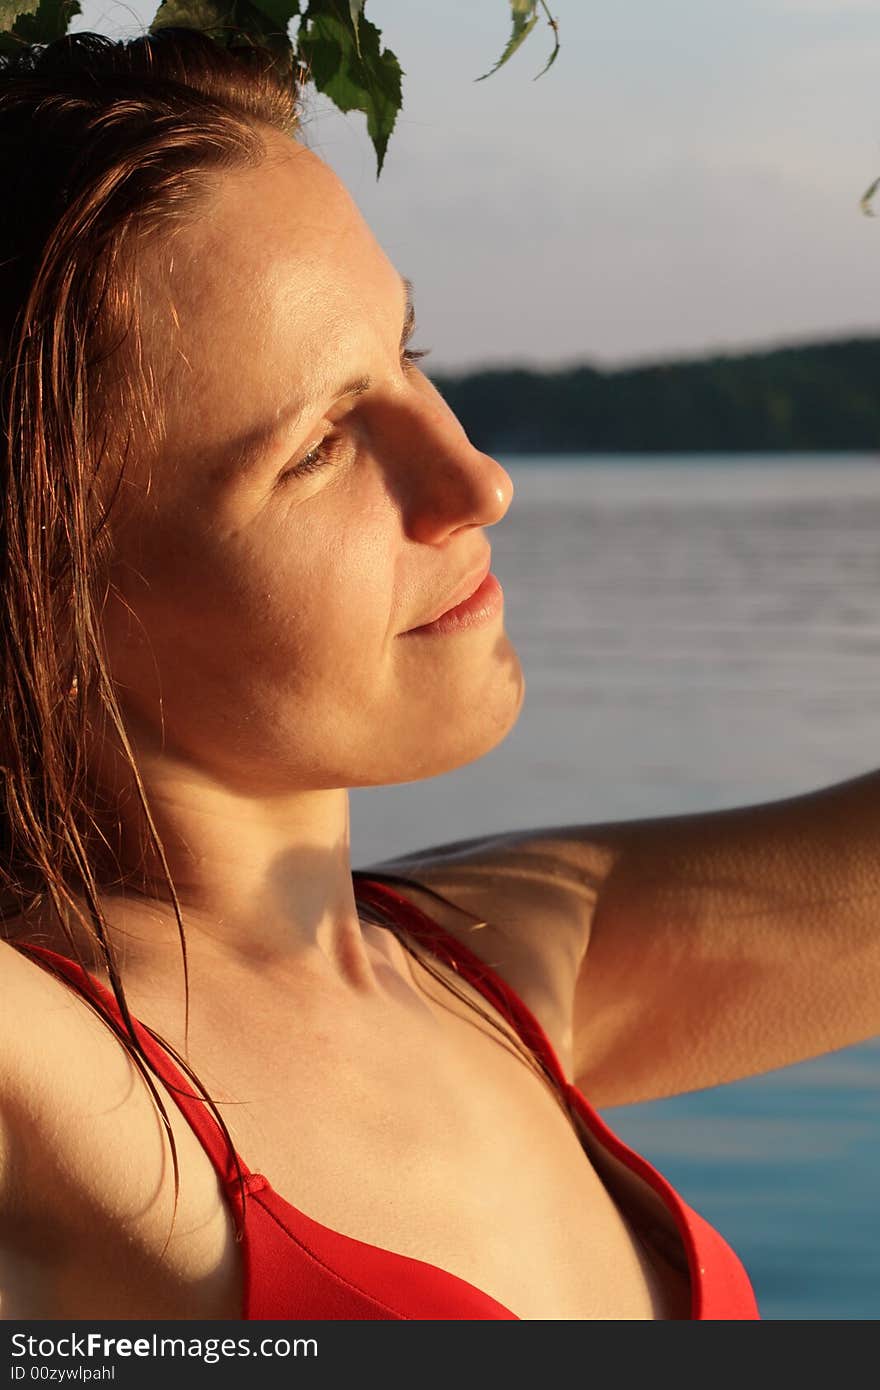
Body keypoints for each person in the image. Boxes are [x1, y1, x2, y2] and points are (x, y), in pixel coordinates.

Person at [0, 27, 875, 1323]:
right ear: (53, 591)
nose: (479, 480)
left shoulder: (493, 968)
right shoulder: (65, 1090)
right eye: (320, 446)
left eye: (406, 352)